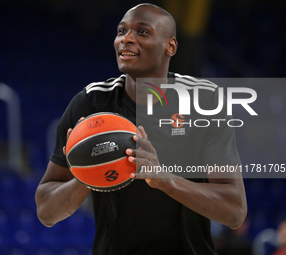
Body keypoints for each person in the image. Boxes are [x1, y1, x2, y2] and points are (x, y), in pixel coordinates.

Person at [35, 3, 247, 255]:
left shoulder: (205, 102)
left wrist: (165, 180)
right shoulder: (91, 103)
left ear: (171, 46)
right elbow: (46, 211)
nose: (126, 39)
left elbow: (234, 212)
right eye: (121, 31)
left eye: (142, 32)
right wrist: (85, 176)